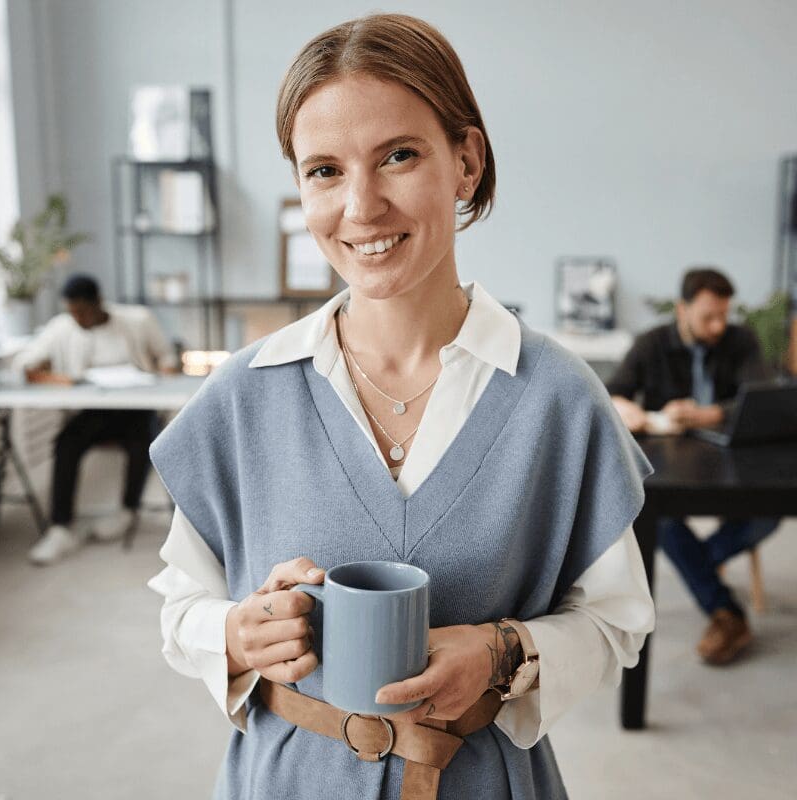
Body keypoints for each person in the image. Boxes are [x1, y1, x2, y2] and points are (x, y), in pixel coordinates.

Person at [147, 14, 654, 800]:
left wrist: (503, 651)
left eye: (399, 155)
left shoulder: (558, 398)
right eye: (323, 170)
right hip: (287, 781)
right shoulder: (244, 395)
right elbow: (181, 604)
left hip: (483, 779)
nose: (362, 206)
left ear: (466, 160)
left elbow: (617, 619)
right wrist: (236, 633)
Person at [607, 267, 780, 665]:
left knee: (767, 513)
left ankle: (699, 564)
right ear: (683, 309)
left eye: (724, 315)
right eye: (708, 316)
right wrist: (627, 408)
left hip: (731, 460)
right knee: (657, 517)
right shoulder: (651, 344)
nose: (719, 325)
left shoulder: (741, 340)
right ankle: (727, 613)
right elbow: (614, 391)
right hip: (671, 462)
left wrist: (703, 414)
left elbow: (763, 399)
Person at [13, 273, 178, 565]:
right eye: (71, 312)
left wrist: (163, 375)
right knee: (66, 443)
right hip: (92, 409)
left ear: (98, 303)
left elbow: (167, 358)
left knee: (144, 443)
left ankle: (127, 511)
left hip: (137, 406)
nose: (76, 318)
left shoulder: (137, 320)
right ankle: (60, 527)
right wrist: (40, 366)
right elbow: (25, 362)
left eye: (82, 311)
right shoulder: (62, 327)